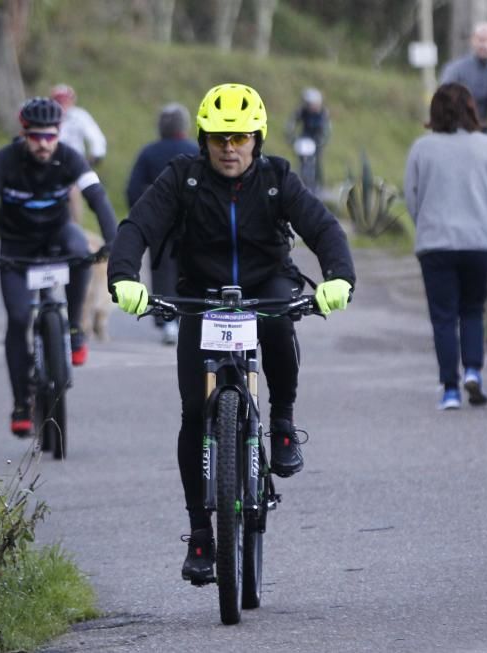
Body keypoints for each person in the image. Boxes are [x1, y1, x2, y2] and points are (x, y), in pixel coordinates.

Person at [107, 83, 355, 584]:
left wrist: (340, 277)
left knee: (282, 324)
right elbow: (138, 227)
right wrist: (124, 277)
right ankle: (201, 533)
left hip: (266, 283)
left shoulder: (277, 178)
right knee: (195, 414)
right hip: (202, 292)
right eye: (219, 137)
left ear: (256, 138)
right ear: (202, 138)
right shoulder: (184, 176)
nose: (229, 147)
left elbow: (323, 228)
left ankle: (282, 423)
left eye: (239, 136)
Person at [0, 96, 118, 435]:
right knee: (19, 318)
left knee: (82, 252)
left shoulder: (70, 158)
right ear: (23, 134)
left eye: (50, 136)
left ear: (59, 134)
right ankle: (21, 403)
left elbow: (98, 198)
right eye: (36, 136)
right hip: (16, 246)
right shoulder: (5, 161)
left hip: (57, 234)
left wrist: (112, 240)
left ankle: (77, 330)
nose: (44, 144)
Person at [404, 83, 487, 410]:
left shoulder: (421, 149)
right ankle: (474, 371)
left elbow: (412, 198)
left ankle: (450, 389)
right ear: (471, 109)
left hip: (436, 242)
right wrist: (485, 221)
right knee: (473, 309)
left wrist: (427, 222)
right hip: (480, 242)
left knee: (444, 317)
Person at [125, 103, 200, 345]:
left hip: (160, 224)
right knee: (192, 269)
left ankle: (168, 321)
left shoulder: (149, 153)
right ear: (185, 126)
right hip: (194, 222)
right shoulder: (196, 150)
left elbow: (133, 189)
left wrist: (143, 219)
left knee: (162, 270)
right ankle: (194, 316)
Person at [51, 83, 107, 223]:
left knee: (72, 191)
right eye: (59, 101)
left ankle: (75, 227)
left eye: (65, 101)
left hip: (73, 163)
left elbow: (95, 136)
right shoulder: (49, 116)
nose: (63, 105)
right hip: (50, 162)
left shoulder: (79, 116)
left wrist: (95, 155)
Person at [439, 22, 487, 133]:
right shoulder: (455, 70)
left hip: (483, 132)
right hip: (457, 131)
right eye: (481, 40)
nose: (485, 45)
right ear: (473, 41)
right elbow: (443, 101)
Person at [284, 87, 330, 192]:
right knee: (301, 163)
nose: (309, 106)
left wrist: (321, 141)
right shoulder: (303, 111)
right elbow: (292, 122)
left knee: (317, 163)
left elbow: (326, 130)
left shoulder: (322, 114)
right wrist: (290, 136)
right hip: (305, 139)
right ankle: (301, 184)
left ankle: (318, 186)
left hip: (317, 141)